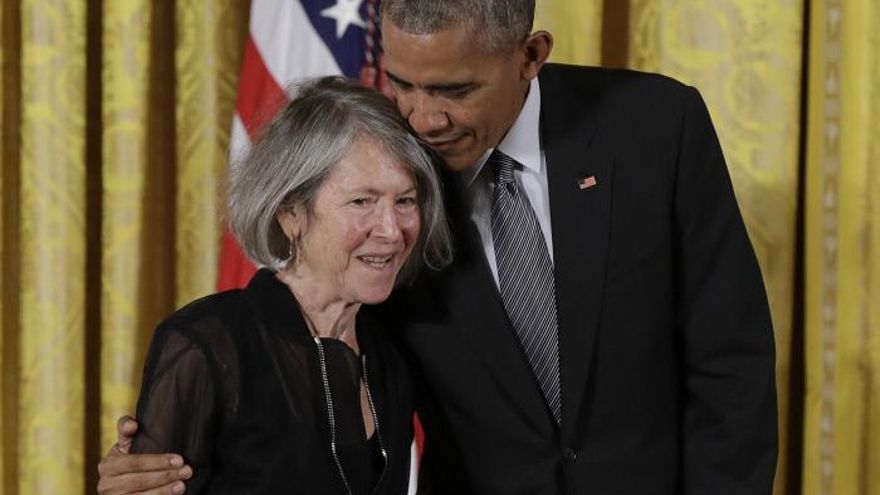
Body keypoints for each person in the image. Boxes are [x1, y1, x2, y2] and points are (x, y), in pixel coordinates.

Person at [99, 1, 778, 494]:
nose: (423, 118)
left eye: (453, 89)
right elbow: (300, 389)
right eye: (403, 83)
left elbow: (730, 363)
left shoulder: (656, 128)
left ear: (530, 56)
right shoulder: (393, 168)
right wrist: (159, 460)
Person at [97, 75, 452, 495]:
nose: (393, 231)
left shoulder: (391, 358)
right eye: (362, 201)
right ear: (291, 213)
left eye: (405, 201)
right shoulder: (206, 344)